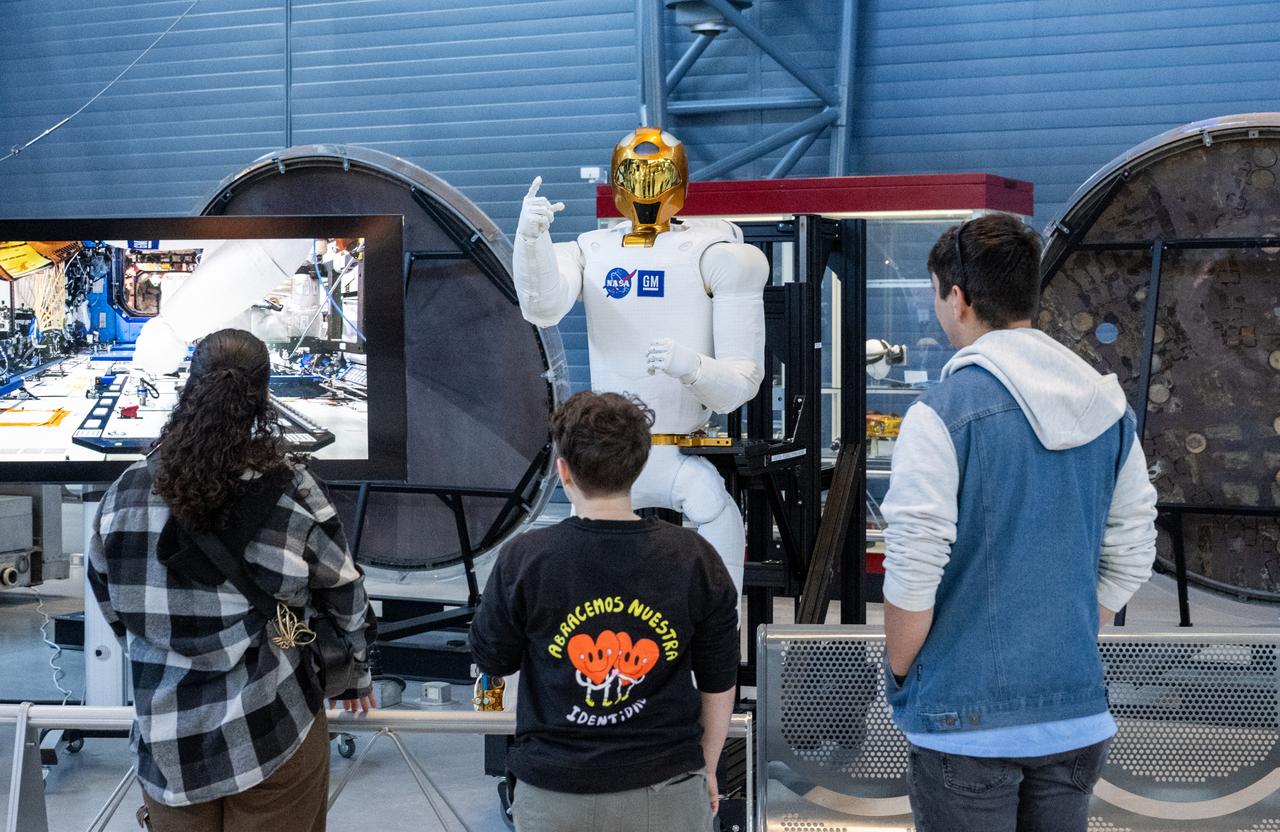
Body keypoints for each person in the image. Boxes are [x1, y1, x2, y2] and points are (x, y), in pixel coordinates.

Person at [880, 213, 1159, 832]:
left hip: (963, 722)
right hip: (1075, 713)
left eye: (936, 295)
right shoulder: (1108, 410)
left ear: (958, 297)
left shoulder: (941, 413)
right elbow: (1136, 547)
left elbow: (914, 564)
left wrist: (902, 668)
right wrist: (1069, 629)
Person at [87, 328, 375, 832]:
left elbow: (112, 604)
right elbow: (345, 595)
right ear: (263, 397)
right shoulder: (294, 491)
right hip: (273, 725)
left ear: (189, 386)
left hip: (169, 743)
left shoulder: (125, 494)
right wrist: (355, 675)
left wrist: (166, 647)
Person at [512, 127, 770, 595]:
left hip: (675, 451)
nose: (645, 188)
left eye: (657, 175)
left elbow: (740, 383)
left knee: (716, 512)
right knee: (589, 571)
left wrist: (688, 365)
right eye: (635, 175)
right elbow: (542, 307)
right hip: (608, 453)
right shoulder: (592, 249)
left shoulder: (718, 255)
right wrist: (530, 240)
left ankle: (720, 633)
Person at [470, 391, 740, 832]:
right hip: (668, 788)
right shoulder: (695, 558)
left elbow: (492, 659)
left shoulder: (525, 558)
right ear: (640, 465)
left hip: (554, 791)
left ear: (563, 471)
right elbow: (719, 680)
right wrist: (707, 769)